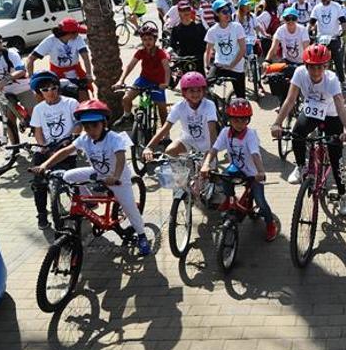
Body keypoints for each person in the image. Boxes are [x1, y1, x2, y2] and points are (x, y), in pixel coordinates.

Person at [32, 100, 151, 255]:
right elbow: (66, 151)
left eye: (94, 125)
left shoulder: (114, 138)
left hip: (118, 178)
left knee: (130, 208)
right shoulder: (84, 138)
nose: (90, 130)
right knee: (66, 176)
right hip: (97, 173)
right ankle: (89, 198)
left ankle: (142, 236)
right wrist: (45, 165)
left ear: (103, 123)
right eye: (86, 126)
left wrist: (115, 177)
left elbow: (120, 158)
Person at [270, 44, 346, 215]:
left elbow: (340, 106)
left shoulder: (331, 80)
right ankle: (301, 166)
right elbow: (290, 99)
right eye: (312, 67)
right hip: (311, 110)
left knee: (335, 156)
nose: (316, 72)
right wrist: (277, 123)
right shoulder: (300, 73)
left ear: (325, 66)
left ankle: (342, 194)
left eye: (320, 67)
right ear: (306, 66)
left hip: (331, 115)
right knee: (297, 135)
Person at [200, 98, 280, 241]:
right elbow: (214, 149)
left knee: (261, 202)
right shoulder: (225, 132)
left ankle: (270, 224)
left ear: (248, 120)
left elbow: (255, 154)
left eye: (244, 120)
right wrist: (206, 164)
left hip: (253, 173)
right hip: (237, 167)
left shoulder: (250, 135)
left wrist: (260, 172)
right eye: (236, 120)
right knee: (225, 176)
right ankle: (229, 199)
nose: (240, 124)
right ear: (229, 119)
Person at [28, 71, 80, 229]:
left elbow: (78, 124)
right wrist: (43, 146)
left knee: (70, 178)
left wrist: (71, 138)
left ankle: (79, 206)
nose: (50, 92)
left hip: (67, 149)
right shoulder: (38, 109)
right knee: (38, 182)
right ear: (39, 92)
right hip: (47, 149)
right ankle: (42, 214)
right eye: (45, 90)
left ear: (58, 88)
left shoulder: (71, 103)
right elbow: (38, 132)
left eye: (53, 88)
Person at [142, 71, 218, 164]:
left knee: (209, 173)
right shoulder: (179, 106)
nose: (196, 94)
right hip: (188, 140)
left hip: (207, 144)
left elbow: (212, 131)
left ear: (203, 91)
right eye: (191, 91)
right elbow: (165, 128)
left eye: (199, 90)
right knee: (170, 151)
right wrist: (150, 147)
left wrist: (211, 152)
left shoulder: (209, 105)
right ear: (184, 92)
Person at [113, 25, 170, 125]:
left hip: (158, 82)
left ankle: (166, 135)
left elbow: (167, 69)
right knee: (126, 98)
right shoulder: (141, 52)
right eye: (144, 39)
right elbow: (130, 66)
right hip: (144, 79)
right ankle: (127, 116)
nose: (147, 42)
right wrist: (121, 80)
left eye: (150, 39)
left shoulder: (160, 53)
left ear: (155, 40)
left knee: (162, 108)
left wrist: (166, 83)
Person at [27, 17, 94, 101]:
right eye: (77, 31)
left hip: (76, 73)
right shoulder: (50, 41)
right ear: (70, 33)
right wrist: (31, 78)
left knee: (84, 98)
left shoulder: (78, 39)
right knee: (55, 99)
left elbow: (85, 57)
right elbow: (30, 59)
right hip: (56, 75)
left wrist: (88, 75)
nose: (78, 34)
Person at [204, 0, 248, 99]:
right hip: (220, 65)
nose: (228, 14)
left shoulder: (237, 27)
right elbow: (208, 50)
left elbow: (242, 49)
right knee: (204, 88)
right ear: (216, 14)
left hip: (236, 66)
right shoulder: (212, 31)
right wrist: (207, 66)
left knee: (241, 98)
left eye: (229, 10)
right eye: (224, 11)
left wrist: (231, 65)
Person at [309, 0, 346, 83]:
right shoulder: (317, 8)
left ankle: (342, 81)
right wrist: (309, 31)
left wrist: (344, 31)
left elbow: (343, 20)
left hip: (333, 36)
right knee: (316, 58)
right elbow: (312, 22)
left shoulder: (336, 6)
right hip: (321, 37)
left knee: (337, 58)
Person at [168, 0, 208, 75]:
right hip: (183, 60)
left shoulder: (199, 26)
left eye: (187, 9)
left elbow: (206, 43)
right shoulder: (176, 28)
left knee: (202, 83)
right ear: (179, 12)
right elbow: (172, 45)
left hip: (198, 59)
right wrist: (172, 54)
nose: (186, 12)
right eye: (182, 10)